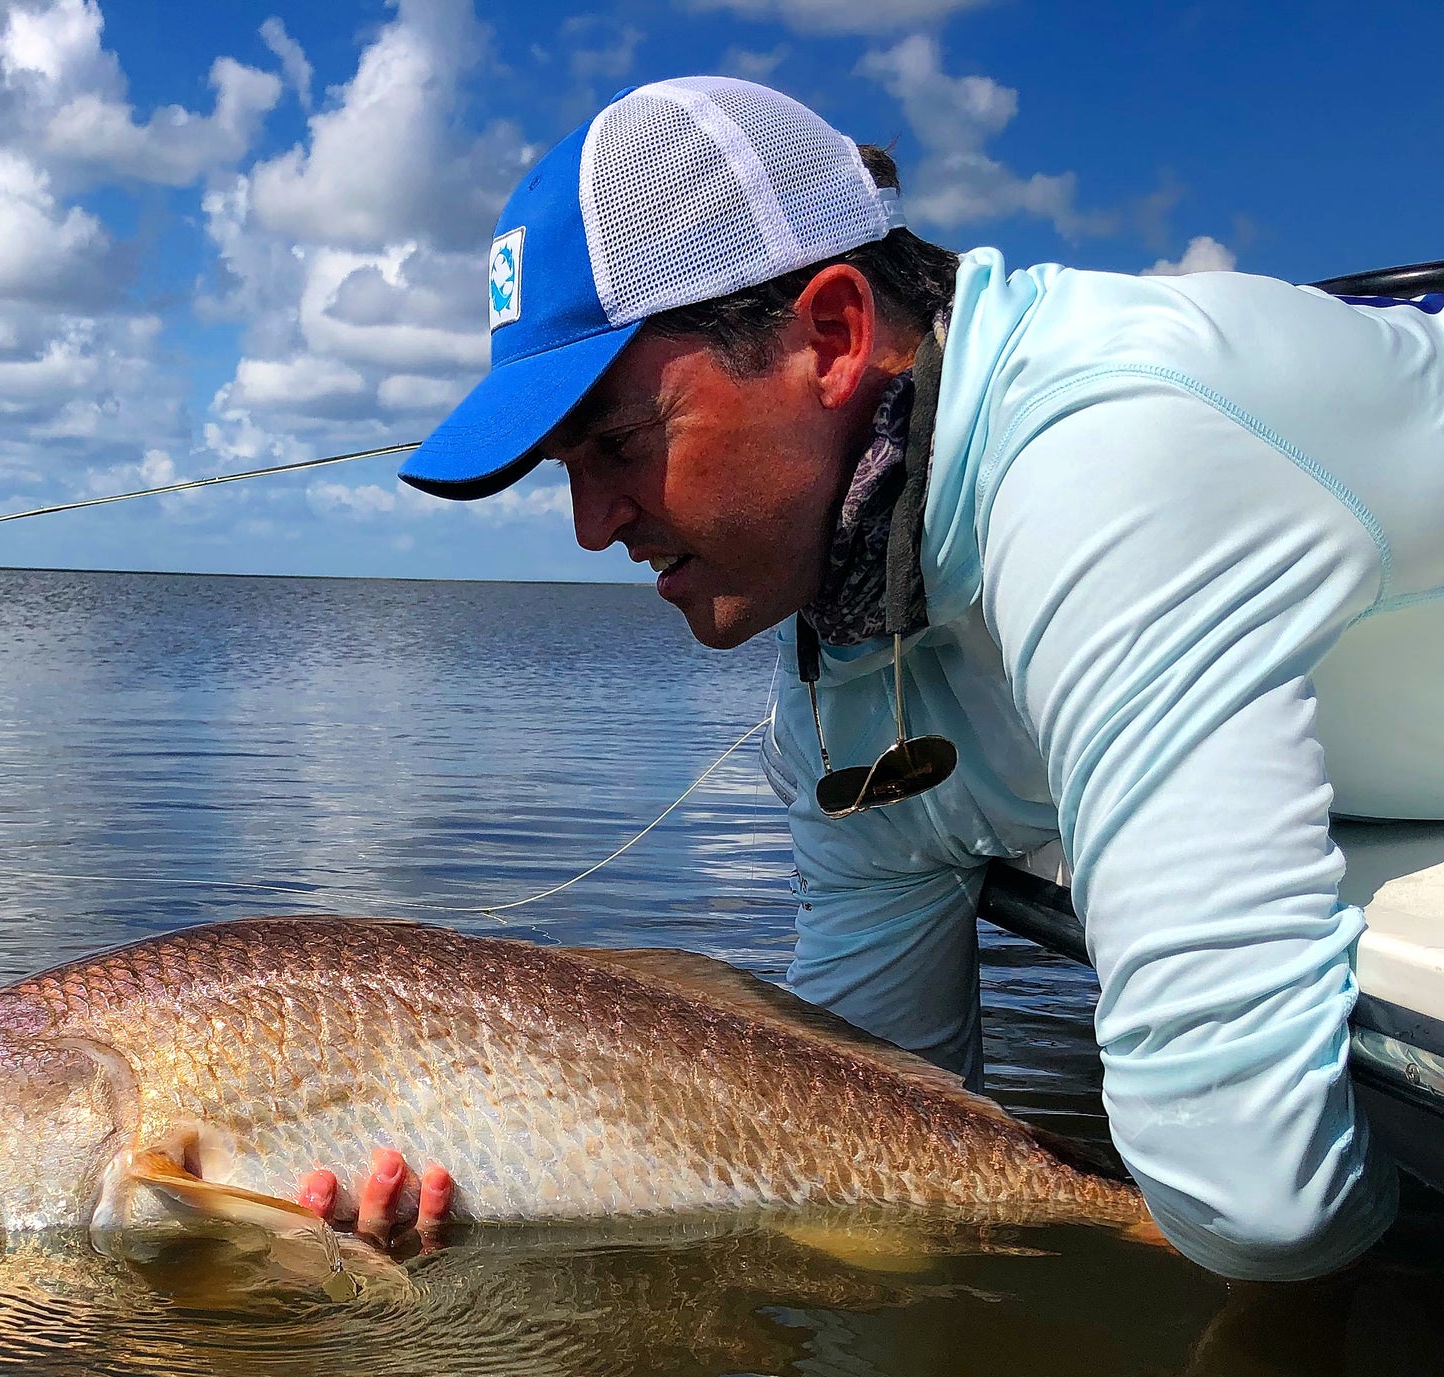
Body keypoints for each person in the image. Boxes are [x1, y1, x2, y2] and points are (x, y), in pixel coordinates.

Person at [299, 75, 1444, 1282]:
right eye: (562, 469)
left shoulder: (1109, 455)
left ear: (832, 335)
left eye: (620, 443)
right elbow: (863, 1122)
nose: (592, 526)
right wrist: (523, 1177)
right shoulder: (841, 653)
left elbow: (1255, 1196)